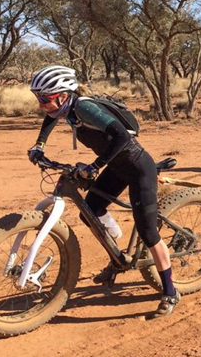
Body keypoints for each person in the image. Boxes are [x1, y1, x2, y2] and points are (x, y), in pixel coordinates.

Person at [26, 65, 179, 319]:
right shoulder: (65, 108)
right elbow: (50, 118)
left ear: (63, 95)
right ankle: (119, 256)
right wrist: (39, 145)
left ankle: (170, 291)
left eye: (45, 99)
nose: (41, 104)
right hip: (118, 168)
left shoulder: (83, 108)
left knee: (149, 233)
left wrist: (95, 166)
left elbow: (121, 137)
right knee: (91, 212)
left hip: (138, 168)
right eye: (38, 98)